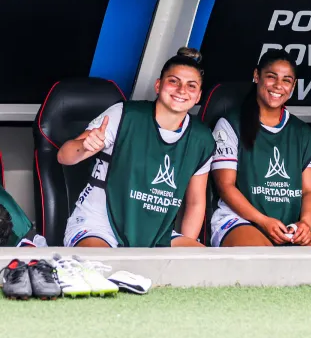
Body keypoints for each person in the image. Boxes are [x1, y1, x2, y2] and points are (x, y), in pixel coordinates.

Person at [57, 47, 215, 247]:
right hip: (99, 226)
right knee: (102, 265)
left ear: (198, 96)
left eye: (191, 86)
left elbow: (195, 202)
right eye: (173, 81)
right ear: (158, 85)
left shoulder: (201, 139)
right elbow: (64, 156)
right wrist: (85, 147)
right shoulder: (124, 115)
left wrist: (181, 258)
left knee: (204, 262)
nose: (182, 90)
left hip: (156, 235)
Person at [210, 49, 311, 247]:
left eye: (286, 80)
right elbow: (225, 187)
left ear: (293, 85)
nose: (278, 85)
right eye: (271, 77)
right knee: (263, 258)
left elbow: (310, 191)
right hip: (241, 220)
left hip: (289, 224)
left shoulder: (303, 133)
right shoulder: (230, 125)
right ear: (257, 76)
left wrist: (305, 223)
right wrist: (263, 221)